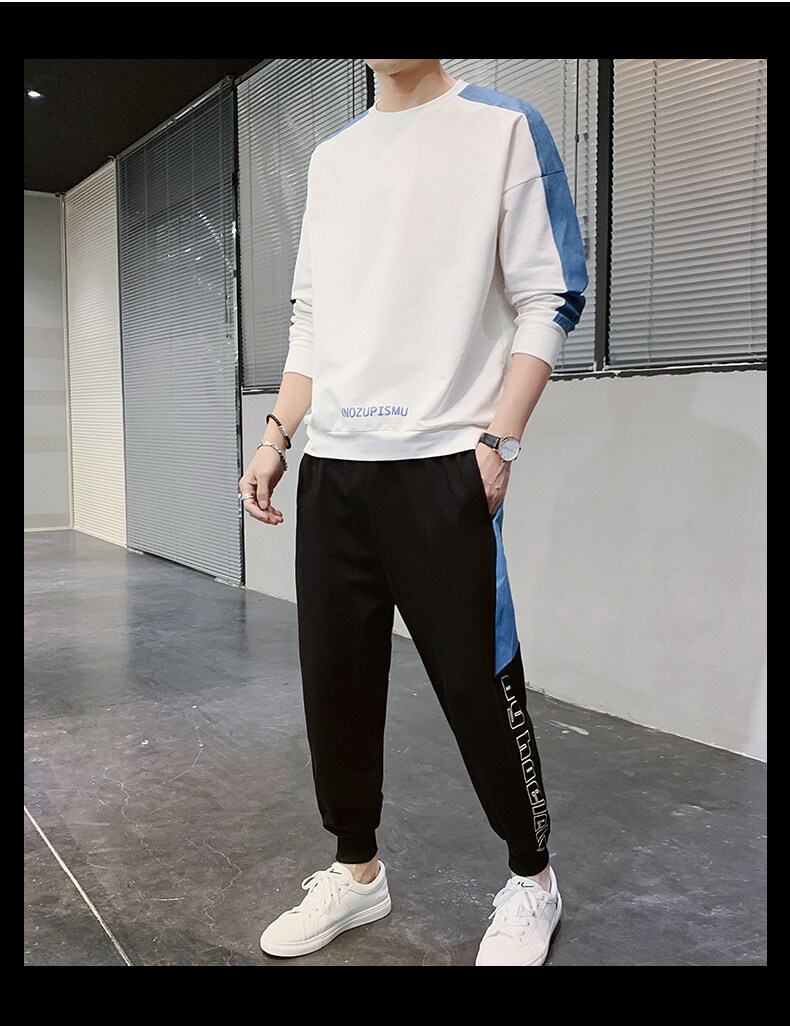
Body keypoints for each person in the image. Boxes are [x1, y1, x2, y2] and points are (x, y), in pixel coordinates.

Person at [239, 58, 587, 967]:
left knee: (479, 685)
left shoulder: (502, 128)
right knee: (337, 685)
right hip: (334, 469)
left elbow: (550, 294)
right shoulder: (333, 157)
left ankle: (533, 879)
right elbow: (312, 319)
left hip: (444, 466)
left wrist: (501, 439)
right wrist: (278, 435)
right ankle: (356, 870)